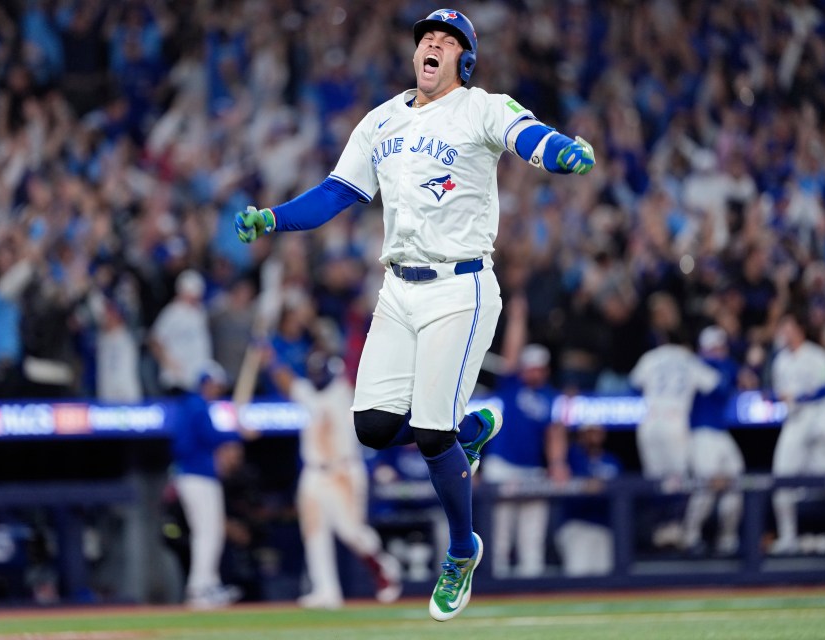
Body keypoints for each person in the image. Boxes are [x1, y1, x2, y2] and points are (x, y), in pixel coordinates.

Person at [234, 8, 595, 621]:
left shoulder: (481, 106)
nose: (433, 43)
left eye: (447, 40)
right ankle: (466, 434)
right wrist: (274, 219)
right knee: (372, 427)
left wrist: (564, 151)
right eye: (427, 36)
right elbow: (336, 193)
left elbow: (529, 137)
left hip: (461, 285)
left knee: (431, 433)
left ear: (464, 59)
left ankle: (461, 550)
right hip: (398, 288)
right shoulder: (382, 120)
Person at [265, 345, 402, 609]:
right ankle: (325, 591)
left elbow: (346, 377)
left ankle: (384, 567)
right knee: (314, 534)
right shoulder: (310, 391)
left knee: (350, 531)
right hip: (314, 472)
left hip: (342, 470)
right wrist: (271, 359)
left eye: (320, 372)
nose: (316, 377)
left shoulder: (343, 392)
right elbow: (289, 382)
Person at [769, 312, 825, 554]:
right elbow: (780, 393)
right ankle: (788, 538)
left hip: (818, 416)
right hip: (794, 421)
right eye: (781, 327)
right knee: (781, 477)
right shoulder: (780, 360)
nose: (783, 331)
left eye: (787, 326)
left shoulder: (817, 356)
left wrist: (800, 396)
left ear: (798, 327)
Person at [483, 340, 568, 578]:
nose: (534, 372)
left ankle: (532, 588)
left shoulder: (550, 396)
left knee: (532, 537)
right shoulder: (511, 384)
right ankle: (495, 584)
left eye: (538, 368)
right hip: (502, 466)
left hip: (532, 469)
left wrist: (558, 463)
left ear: (546, 370)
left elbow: (555, 433)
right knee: (499, 535)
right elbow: (509, 354)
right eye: (530, 367)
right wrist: (517, 317)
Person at [629, 329, 720, 548]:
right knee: (679, 481)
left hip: (649, 422)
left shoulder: (651, 357)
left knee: (655, 481)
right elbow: (716, 384)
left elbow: (632, 385)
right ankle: (674, 530)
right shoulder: (688, 359)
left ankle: (658, 532)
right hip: (674, 422)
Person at [170, 360, 242, 608]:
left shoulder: (193, 405)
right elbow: (209, 435)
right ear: (206, 383)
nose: (218, 390)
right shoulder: (196, 405)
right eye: (215, 385)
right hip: (197, 476)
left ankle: (206, 585)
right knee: (207, 533)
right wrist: (237, 431)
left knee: (208, 532)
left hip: (194, 476)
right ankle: (201, 588)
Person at [682, 326, 745, 556]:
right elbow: (722, 386)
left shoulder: (722, 365)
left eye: (721, 347)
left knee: (736, 479)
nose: (718, 352)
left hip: (720, 433)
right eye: (713, 348)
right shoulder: (694, 365)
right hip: (700, 434)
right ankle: (690, 537)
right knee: (707, 485)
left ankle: (728, 538)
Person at [554, 424, 621, 577]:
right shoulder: (573, 456)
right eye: (589, 432)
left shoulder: (612, 461)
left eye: (597, 431)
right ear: (581, 434)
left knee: (606, 579)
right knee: (577, 578)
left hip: (604, 528)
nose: (594, 436)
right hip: (577, 525)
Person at [149, 269, 212, 395]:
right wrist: (168, 363)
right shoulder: (172, 312)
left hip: (197, 378)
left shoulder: (200, 312)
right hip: (177, 380)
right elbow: (154, 340)